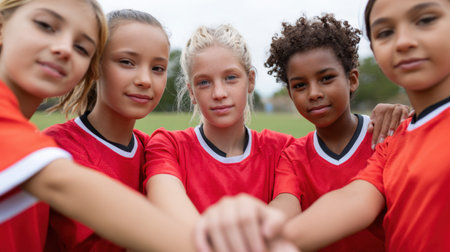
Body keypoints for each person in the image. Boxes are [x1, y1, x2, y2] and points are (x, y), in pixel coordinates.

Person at [194, 14, 410, 252]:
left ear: (352, 79)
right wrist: (255, 229)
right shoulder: (293, 156)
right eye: (300, 85)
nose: (314, 93)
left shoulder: (387, 134)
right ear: (289, 93)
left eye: (326, 78)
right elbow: (286, 204)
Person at [0, 1, 194, 252]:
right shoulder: (53, 150)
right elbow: (61, 183)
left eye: (82, 47)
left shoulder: (155, 148)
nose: (65, 50)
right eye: (45, 25)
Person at [264, 0, 450, 251]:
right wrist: (258, 239)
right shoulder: (391, 142)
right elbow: (354, 201)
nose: (403, 41)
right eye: (385, 32)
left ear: (352, 80)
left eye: (426, 20)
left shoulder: (385, 134)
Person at [144, 24, 300, 252]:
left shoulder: (283, 149)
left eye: (230, 78)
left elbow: (287, 210)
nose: (219, 93)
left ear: (251, 81)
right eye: (204, 82)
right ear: (191, 92)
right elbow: (170, 207)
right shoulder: (168, 145)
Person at [43, 9, 169, 251]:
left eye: (158, 68)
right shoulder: (54, 148)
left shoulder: (155, 152)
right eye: (126, 62)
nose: (145, 79)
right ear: (95, 65)